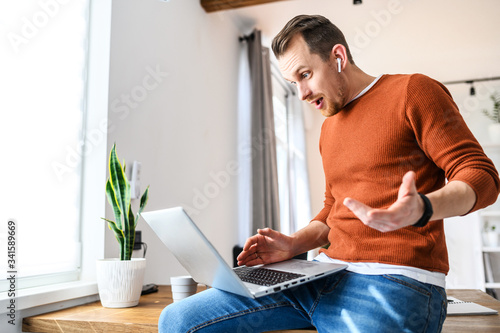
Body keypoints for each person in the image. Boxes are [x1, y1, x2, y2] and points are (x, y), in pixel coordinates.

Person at [159, 15, 500, 332]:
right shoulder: (328, 128)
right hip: (318, 275)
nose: (302, 94)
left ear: (338, 57)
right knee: (177, 319)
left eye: (305, 75)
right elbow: (333, 207)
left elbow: (480, 175)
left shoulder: (413, 91)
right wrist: (294, 244)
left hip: (394, 281)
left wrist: (423, 207)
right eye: (293, 82)